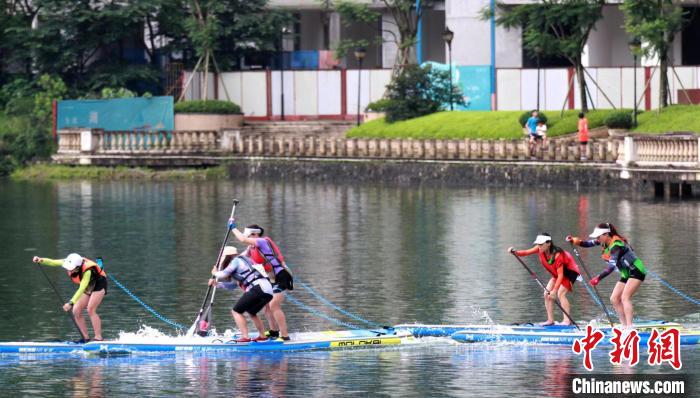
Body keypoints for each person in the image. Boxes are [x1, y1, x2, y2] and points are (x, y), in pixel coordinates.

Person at [566, 223, 646, 328]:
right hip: (626, 273)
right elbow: (587, 244)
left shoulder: (616, 245)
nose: (597, 239)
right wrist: (575, 241)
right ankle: (624, 325)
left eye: (599, 237)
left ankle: (630, 326)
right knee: (614, 298)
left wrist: (598, 278)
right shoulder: (604, 241)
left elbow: (611, 267)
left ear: (606, 234)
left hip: (636, 270)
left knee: (625, 297)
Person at [231, 221, 293, 341]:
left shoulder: (262, 241)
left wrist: (233, 228)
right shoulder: (251, 248)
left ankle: (285, 336)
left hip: (281, 276)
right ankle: (274, 332)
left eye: (248, 235)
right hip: (271, 279)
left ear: (254, 235)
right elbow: (240, 259)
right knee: (267, 306)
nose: (247, 238)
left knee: (274, 304)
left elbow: (242, 239)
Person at [31, 253, 107, 342]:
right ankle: (85, 338)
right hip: (87, 285)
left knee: (90, 309)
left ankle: (98, 337)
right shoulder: (69, 262)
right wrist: (41, 260)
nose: (69, 271)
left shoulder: (88, 271)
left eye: (71, 269)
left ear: (78, 267)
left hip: (99, 284)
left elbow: (82, 288)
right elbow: (54, 262)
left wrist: (71, 303)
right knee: (76, 310)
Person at [509, 233, 580, 326]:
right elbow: (526, 252)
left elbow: (561, 275)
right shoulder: (539, 249)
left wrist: (554, 290)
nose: (539, 246)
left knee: (560, 294)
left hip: (569, 273)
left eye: (541, 244)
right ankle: (550, 320)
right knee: (546, 294)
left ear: (549, 243)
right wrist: (515, 252)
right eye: (538, 244)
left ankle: (567, 321)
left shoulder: (557, 255)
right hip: (557, 274)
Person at [210, 246, 273, 343]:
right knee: (252, 312)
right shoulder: (243, 262)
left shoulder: (236, 261)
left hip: (258, 288)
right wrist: (217, 284)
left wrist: (215, 273)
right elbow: (233, 286)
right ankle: (262, 336)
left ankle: (245, 337)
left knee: (236, 311)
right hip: (268, 291)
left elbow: (223, 274)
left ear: (227, 256)